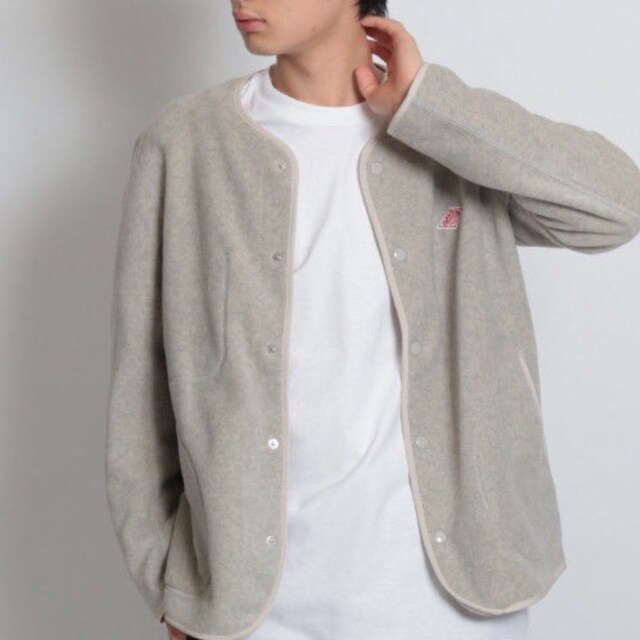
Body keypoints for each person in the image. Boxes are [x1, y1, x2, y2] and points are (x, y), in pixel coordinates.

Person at [105, 1, 640, 639]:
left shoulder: (446, 135)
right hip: (251, 609)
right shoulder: (185, 144)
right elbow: (141, 386)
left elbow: (617, 208)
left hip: (453, 603)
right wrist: (169, 585)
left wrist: (431, 107)